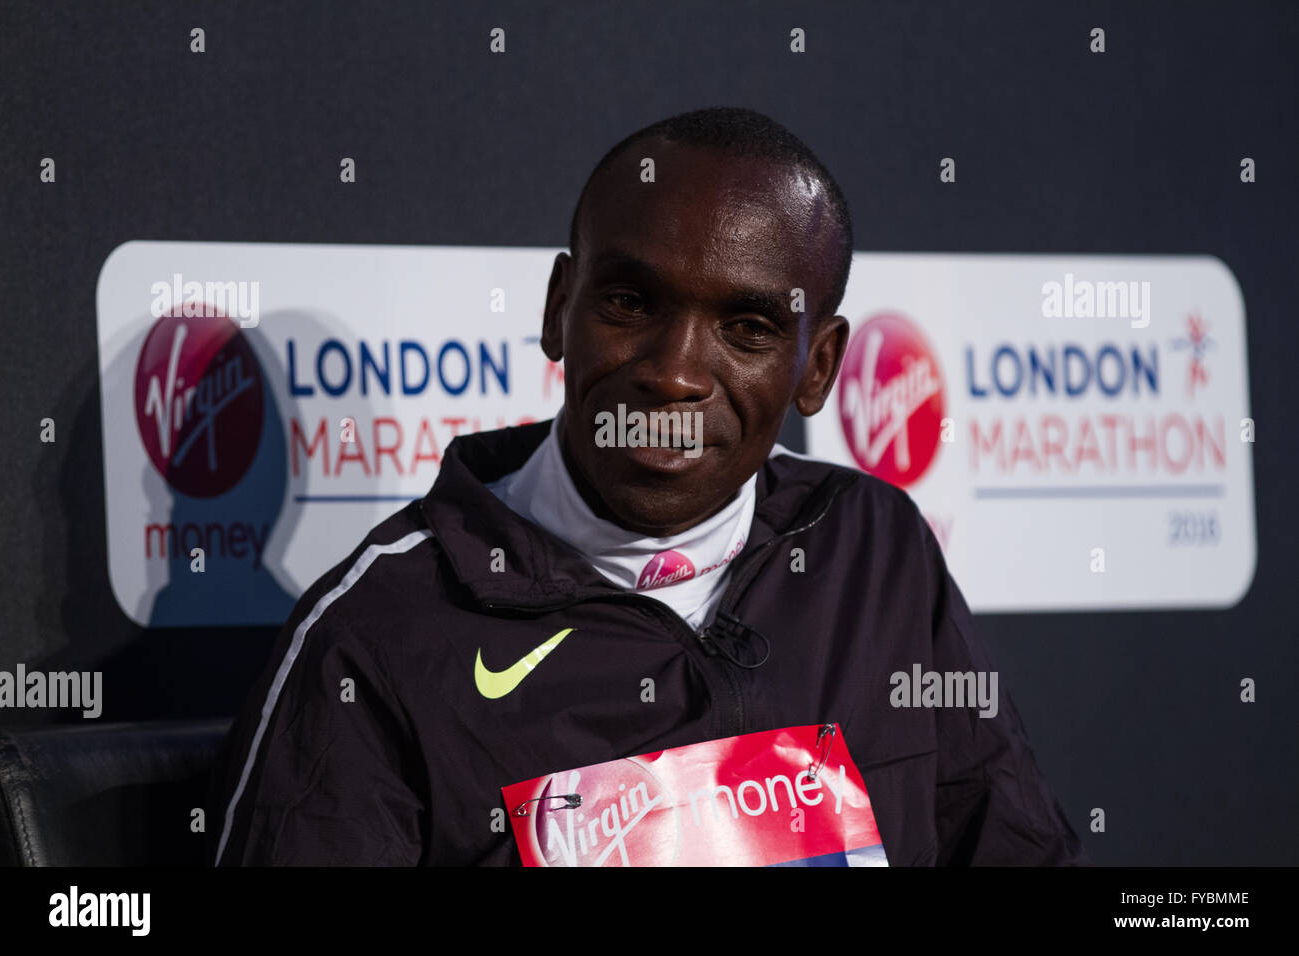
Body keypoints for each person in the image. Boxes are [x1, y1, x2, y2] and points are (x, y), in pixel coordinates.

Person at [209, 106, 1086, 866]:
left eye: (745, 328)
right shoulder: (379, 635)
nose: (673, 375)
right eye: (629, 303)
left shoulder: (876, 551)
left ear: (816, 368)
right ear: (560, 308)